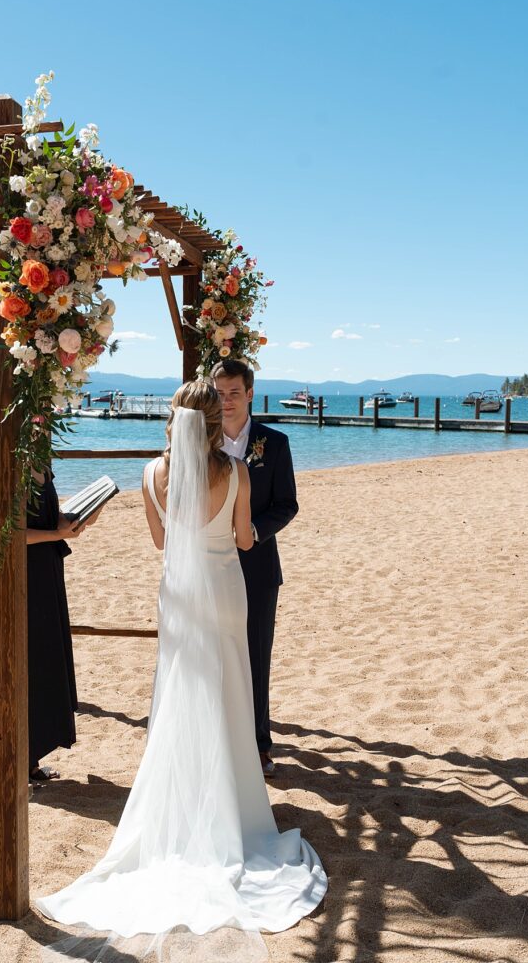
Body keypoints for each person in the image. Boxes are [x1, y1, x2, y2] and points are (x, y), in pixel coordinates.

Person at [37, 381, 326, 960]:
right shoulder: (236, 472)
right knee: (228, 691)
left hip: (178, 598)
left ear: (173, 420)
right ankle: (231, 805)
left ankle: (186, 801)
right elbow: (245, 540)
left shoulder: (150, 474)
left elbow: (161, 542)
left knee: (180, 692)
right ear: (214, 421)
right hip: (224, 592)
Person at [0, 433, 99, 782]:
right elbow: (5, 533)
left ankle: (29, 761)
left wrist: (77, 520)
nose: (45, 417)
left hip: (46, 573)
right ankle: (15, 763)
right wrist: (59, 534)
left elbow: (47, 518)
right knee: (17, 665)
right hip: (15, 575)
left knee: (42, 663)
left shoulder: (41, 461)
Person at [211, 359, 299, 777]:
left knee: (255, 655)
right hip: (210, 565)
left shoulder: (275, 443)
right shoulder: (201, 440)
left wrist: (253, 532)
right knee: (213, 654)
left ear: (249, 394)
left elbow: (287, 504)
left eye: (234, 393)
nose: (226, 402)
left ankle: (259, 745)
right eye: (219, 394)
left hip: (258, 566)